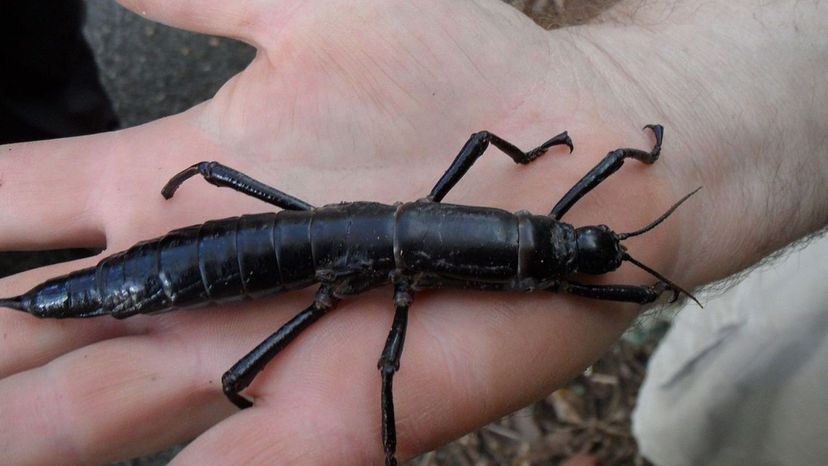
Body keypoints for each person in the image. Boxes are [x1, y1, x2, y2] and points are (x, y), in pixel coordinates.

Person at [0, 0, 824, 464]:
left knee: (242, 361)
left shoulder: (511, 240)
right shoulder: (516, 258)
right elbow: (583, 217)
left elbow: (592, 211)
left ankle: (52, 298)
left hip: (289, 250)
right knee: (257, 362)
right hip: (236, 260)